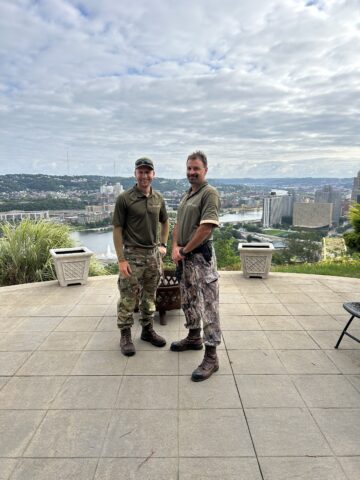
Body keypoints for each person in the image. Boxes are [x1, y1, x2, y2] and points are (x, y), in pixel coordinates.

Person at [171, 151, 221, 381]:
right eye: (189, 168)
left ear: (205, 170)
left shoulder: (209, 194)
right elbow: (178, 223)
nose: (191, 172)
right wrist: (174, 247)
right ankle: (193, 337)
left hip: (200, 258)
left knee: (208, 305)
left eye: (196, 169)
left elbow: (206, 228)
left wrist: (185, 249)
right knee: (189, 298)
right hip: (185, 257)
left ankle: (211, 357)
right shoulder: (187, 194)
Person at [113, 157, 169, 356]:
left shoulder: (158, 198)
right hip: (132, 254)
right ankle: (125, 334)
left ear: (153, 174)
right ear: (135, 174)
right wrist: (121, 259)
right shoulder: (125, 198)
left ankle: (147, 330)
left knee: (149, 295)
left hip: (153, 255)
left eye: (148, 172)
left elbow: (165, 221)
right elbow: (117, 229)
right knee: (128, 296)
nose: (144, 176)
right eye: (141, 172)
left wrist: (163, 244)